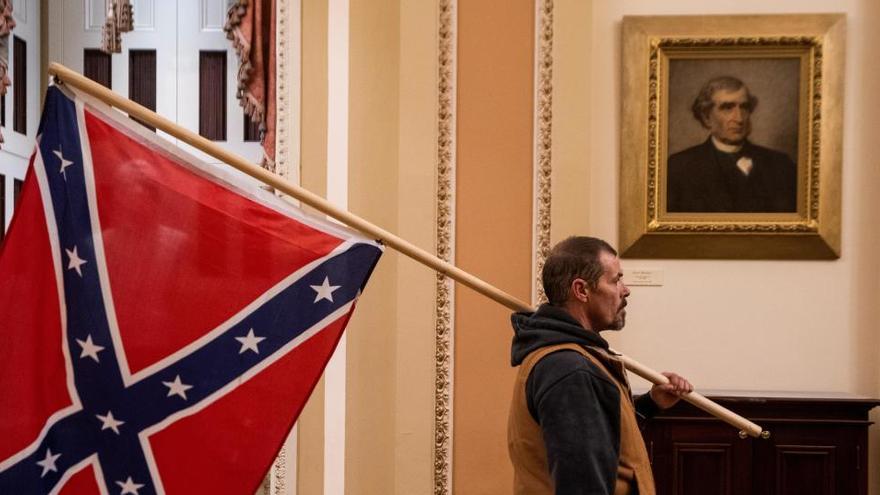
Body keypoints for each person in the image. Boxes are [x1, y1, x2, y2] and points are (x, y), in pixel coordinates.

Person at [508, 236, 692, 495]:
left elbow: (601, 439)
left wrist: (650, 404)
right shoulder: (570, 369)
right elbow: (582, 484)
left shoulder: (571, 358)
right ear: (581, 290)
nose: (625, 290)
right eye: (615, 280)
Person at [667, 76, 797, 213]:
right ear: (706, 117)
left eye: (744, 107)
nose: (739, 118)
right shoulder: (679, 167)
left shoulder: (781, 164)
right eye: (727, 108)